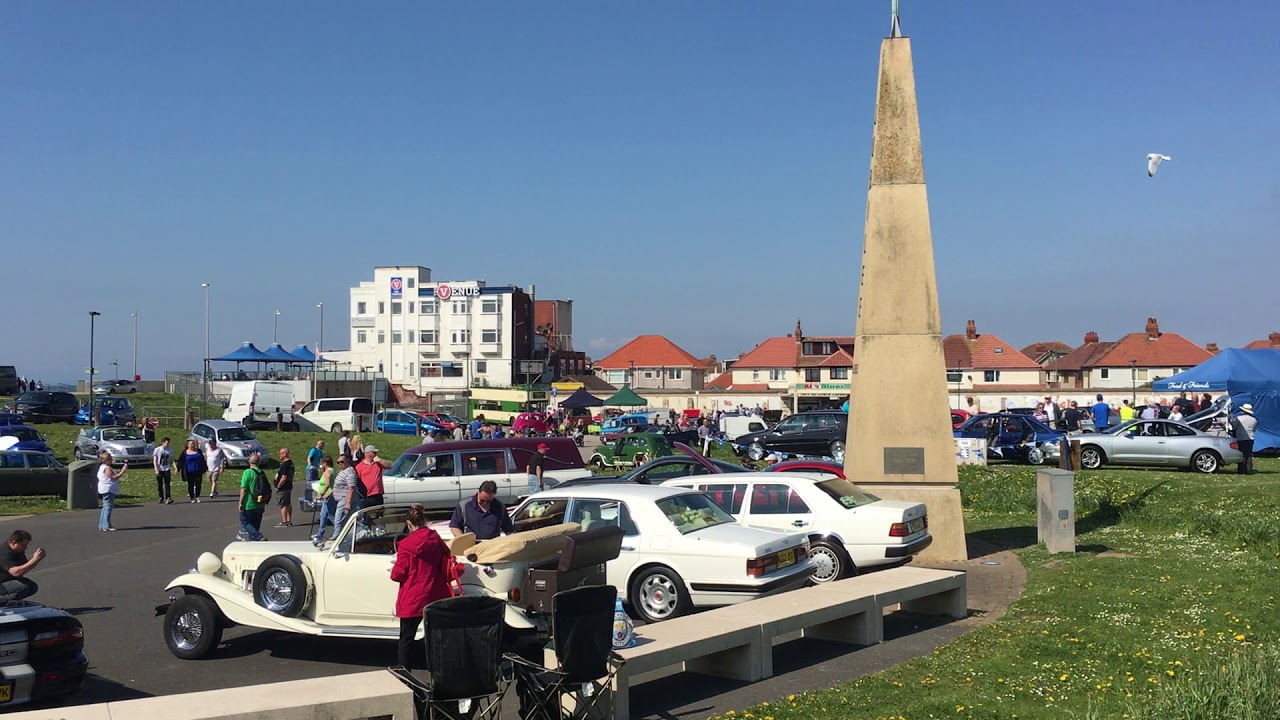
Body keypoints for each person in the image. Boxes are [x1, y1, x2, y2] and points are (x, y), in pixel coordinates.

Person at [391, 504, 451, 671]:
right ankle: (440, 672)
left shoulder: (406, 545)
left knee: (406, 639)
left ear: (409, 524)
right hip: (436, 593)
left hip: (414, 596)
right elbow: (446, 555)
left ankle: (405, 674)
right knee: (435, 639)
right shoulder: (435, 538)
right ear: (424, 520)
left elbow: (398, 574)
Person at [449, 480, 514, 540]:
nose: (484, 503)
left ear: (494, 496)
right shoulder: (464, 505)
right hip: (471, 546)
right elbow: (454, 527)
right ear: (478, 492)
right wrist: (462, 539)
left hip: (492, 547)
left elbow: (509, 531)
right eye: (482, 500)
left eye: (488, 501)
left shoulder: (500, 507)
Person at [0, 530, 44, 602]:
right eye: (24, 545)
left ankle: (11, 602)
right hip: (2, 583)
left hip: (7, 580)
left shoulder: (18, 551)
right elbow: (16, 573)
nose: (26, 548)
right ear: (14, 543)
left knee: (32, 587)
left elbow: (24, 567)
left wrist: (35, 559)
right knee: (22, 587)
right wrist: (35, 559)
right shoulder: (3, 552)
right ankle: (4, 603)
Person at [238, 452, 268, 541]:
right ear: (259, 462)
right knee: (255, 524)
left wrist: (240, 502)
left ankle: (257, 536)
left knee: (245, 522)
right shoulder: (261, 473)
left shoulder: (247, 472)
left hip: (249, 503)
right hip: (260, 502)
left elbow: (244, 489)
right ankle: (254, 540)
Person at [329, 455, 359, 540]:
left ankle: (336, 537)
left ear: (347, 462)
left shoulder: (350, 472)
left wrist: (348, 503)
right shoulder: (343, 471)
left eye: (342, 462)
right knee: (341, 520)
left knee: (338, 519)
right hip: (341, 499)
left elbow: (351, 488)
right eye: (338, 462)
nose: (340, 464)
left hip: (345, 499)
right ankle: (341, 536)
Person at [356, 445, 392, 509]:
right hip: (366, 496)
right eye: (374, 453)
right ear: (368, 453)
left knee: (379, 516)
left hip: (378, 495)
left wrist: (379, 460)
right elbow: (356, 480)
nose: (376, 455)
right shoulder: (359, 466)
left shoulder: (378, 463)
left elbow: (389, 466)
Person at [97, 451, 126, 532]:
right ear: (105, 460)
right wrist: (122, 471)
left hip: (104, 489)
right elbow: (113, 477)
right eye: (110, 459)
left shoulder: (102, 467)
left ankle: (102, 525)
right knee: (108, 507)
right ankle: (106, 525)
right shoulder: (107, 468)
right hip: (108, 489)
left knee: (105, 507)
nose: (111, 460)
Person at [312, 456, 337, 545]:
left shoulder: (328, 471)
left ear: (325, 463)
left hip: (329, 496)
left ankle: (338, 531)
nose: (321, 465)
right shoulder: (329, 470)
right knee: (323, 515)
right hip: (327, 496)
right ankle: (320, 533)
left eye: (322, 463)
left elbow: (327, 484)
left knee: (331, 515)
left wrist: (321, 494)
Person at [1231, 404, 1258, 474]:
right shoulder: (1254, 420)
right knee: (1249, 454)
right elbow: (1254, 429)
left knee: (1242, 454)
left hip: (1241, 438)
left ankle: (1241, 469)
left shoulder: (1239, 419)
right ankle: (1248, 469)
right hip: (1251, 438)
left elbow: (1234, 427)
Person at [275, 448, 295, 528]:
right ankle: (289, 520)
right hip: (289, 485)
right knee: (288, 503)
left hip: (283, 487)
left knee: (283, 504)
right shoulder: (291, 463)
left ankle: (284, 521)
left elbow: (283, 477)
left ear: (285, 454)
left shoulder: (285, 465)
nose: (279, 455)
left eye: (280, 453)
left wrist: (278, 486)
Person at [152, 436, 174, 505]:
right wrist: (156, 469)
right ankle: (161, 497)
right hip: (160, 469)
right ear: (163, 442)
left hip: (167, 469)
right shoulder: (157, 449)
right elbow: (155, 460)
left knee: (167, 484)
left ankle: (168, 497)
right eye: (167, 443)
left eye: (168, 443)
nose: (168, 444)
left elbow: (171, 460)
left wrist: (175, 467)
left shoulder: (170, 450)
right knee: (160, 484)